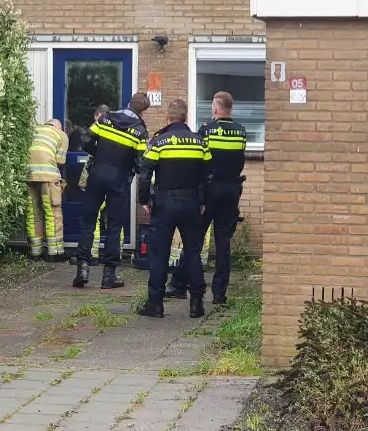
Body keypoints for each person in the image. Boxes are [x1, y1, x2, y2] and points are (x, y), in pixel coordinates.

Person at [166, 92, 246, 305]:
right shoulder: (241, 132)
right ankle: (219, 293)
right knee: (223, 243)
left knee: (194, 240)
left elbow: (201, 162)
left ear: (216, 108)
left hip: (209, 192)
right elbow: (240, 161)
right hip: (231, 191)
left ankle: (179, 285)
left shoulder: (206, 131)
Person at [136, 99, 211, 319]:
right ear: (186, 118)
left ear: (168, 118)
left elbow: (145, 173)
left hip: (164, 203)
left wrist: (144, 200)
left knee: (159, 255)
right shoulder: (200, 143)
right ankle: (196, 304)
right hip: (191, 204)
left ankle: (156, 305)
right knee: (193, 254)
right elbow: (208, 176)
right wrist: (203, 201)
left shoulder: (159, 142)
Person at [74, 93, 150, 289]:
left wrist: (98, 154)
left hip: (97, 175)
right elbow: (142, 163)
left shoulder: (106, 118)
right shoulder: (140, 131)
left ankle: (82, 268)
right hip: (119, 181)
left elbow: (86, 138)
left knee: (88, 221)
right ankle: (109, 276)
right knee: (115, 226)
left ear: (127, 104)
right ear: (143, 111)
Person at [72, 105, 110, 267]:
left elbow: (90, 160)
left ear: (98, 115)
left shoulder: (97, 132)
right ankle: (115, 253)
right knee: (113, 219)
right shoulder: (117, 131)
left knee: (92, 217)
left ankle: (90, 254)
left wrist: (82, 182)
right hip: (115, 181)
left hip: (97, 180)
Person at [26, 119, 69, 261]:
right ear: (59, 126)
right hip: (48, 178)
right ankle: (54, 252)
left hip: (29, 177)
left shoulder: (33, 131)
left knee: (33, 213)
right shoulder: (61, 134)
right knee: (53, 212)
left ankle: (35, 252)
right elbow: (60, 161)